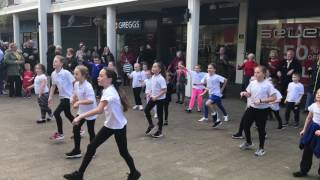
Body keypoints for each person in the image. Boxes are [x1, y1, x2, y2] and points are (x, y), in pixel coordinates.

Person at [63, 68, 141, 180]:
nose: (98, 78)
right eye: (99, 75)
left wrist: (80, 116)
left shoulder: (109, 92)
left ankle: (134, 173)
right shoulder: (108, 89)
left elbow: (99, 110)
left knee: (123, 152)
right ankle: (79, 175)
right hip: (110, 125)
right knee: (91, 147)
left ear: (109, 79)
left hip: (118, 127)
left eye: (101, 76)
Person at [239, 65, 276, 156]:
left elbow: (273, 98)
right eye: (255, 72)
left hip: (262, 110)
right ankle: (249, 142)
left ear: (264, 74)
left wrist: (261, 101)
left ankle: (261, 148)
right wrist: (244, 93)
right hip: (251, 108)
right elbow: (249, 93)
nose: (255, 74)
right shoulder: (252, 83)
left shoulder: (268, 85)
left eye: (258, 72)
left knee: (260, 129)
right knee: (245, 125)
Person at [65, 65, 97, 159]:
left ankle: (92, 150)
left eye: (76, 74)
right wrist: (72, 99)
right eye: (74, 73)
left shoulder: (88, 86)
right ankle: (77, 151)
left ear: (83, 75)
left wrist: (78, 102)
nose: (74, 75)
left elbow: (91, 100)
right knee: (76, 128)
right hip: (82, 111)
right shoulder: (76, 84)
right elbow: (74, 94)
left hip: (91, 111)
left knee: (91, 131)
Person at [293, 89, 320, 177]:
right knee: (307, 150)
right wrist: (304, 129)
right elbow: (309, 118)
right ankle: (303, 170)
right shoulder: (313, 105)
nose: (318, 95)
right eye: (317, 93)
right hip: (312, 129)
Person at [48, 55, 75, 141]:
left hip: (68, 97)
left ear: (61, 63)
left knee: (56, 113)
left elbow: (75, 83)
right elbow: (53, 86)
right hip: (62, 97)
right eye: (53, 61)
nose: (54, 63)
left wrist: (75, 96)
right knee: (67, 114)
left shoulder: (66, 73)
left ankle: (60, 134)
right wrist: (50, 96)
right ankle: (79, 128)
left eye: (56, 61)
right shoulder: (53, 74)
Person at [144, 62, 167, 138]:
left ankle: (159, 132)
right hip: (153, 97)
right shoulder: (153, 76)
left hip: (160, 99)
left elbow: (164, 90)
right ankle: (151, 125)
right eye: (153, 66)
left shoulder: (161, 78)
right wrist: (150, 92)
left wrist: (156, 97)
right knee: (146, 110)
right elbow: (153, 86)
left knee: (160, 116)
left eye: (155, 67)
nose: (153, 68)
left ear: (159, 69)